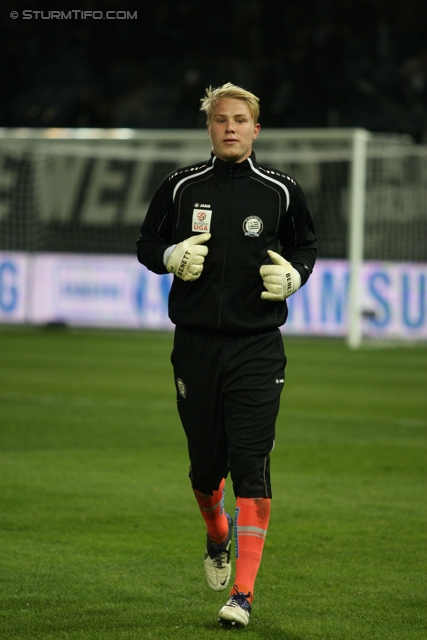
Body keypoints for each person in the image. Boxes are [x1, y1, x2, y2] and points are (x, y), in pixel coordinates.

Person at [136, 82, 317, 628]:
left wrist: (295, 277)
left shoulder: (282, 190)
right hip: (194, 347)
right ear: (209, 128)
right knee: (205, 468)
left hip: (258, 348)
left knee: (251, 465)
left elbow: (306, 246)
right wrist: (168, 255)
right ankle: (217, 532)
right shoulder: (180, 186)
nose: (230, 127)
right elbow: (146, 243)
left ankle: (242, 595)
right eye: (220, 120)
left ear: (256, 129)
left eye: (240, 119)